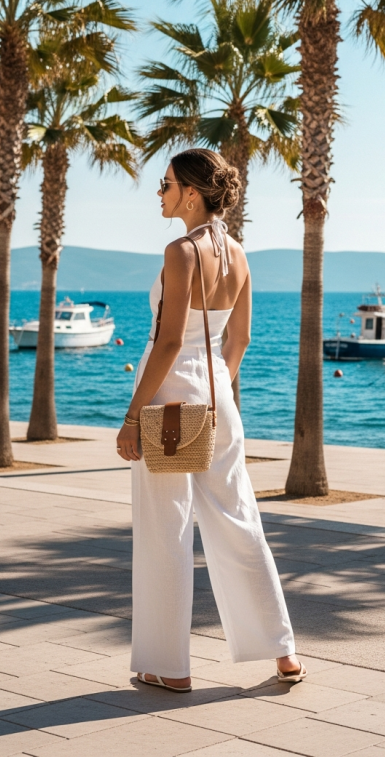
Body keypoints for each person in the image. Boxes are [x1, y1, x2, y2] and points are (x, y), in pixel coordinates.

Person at [116, 148, 306, 692]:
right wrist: (215, 383)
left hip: (170, 398)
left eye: (167, 183)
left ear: (192, 194)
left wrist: (134, 417)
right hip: (219, 396)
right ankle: (283, 652)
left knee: (164, 528)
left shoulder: (180, 251)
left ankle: (169, 666)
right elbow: (238, 339)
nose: (160, 191)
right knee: (238, 519)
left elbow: (170, 339)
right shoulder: (241, 255)